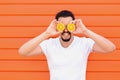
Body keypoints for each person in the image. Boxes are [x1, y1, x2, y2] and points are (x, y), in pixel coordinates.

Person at [18, 10, 116, 80]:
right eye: (62, 26)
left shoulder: (84, 43)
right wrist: (47, 33)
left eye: (68, 25)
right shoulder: (49, 44)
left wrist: (85, 31)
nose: (65, 30)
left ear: (73, 25)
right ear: (57, 26)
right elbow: (23, 51)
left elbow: (110, 48)